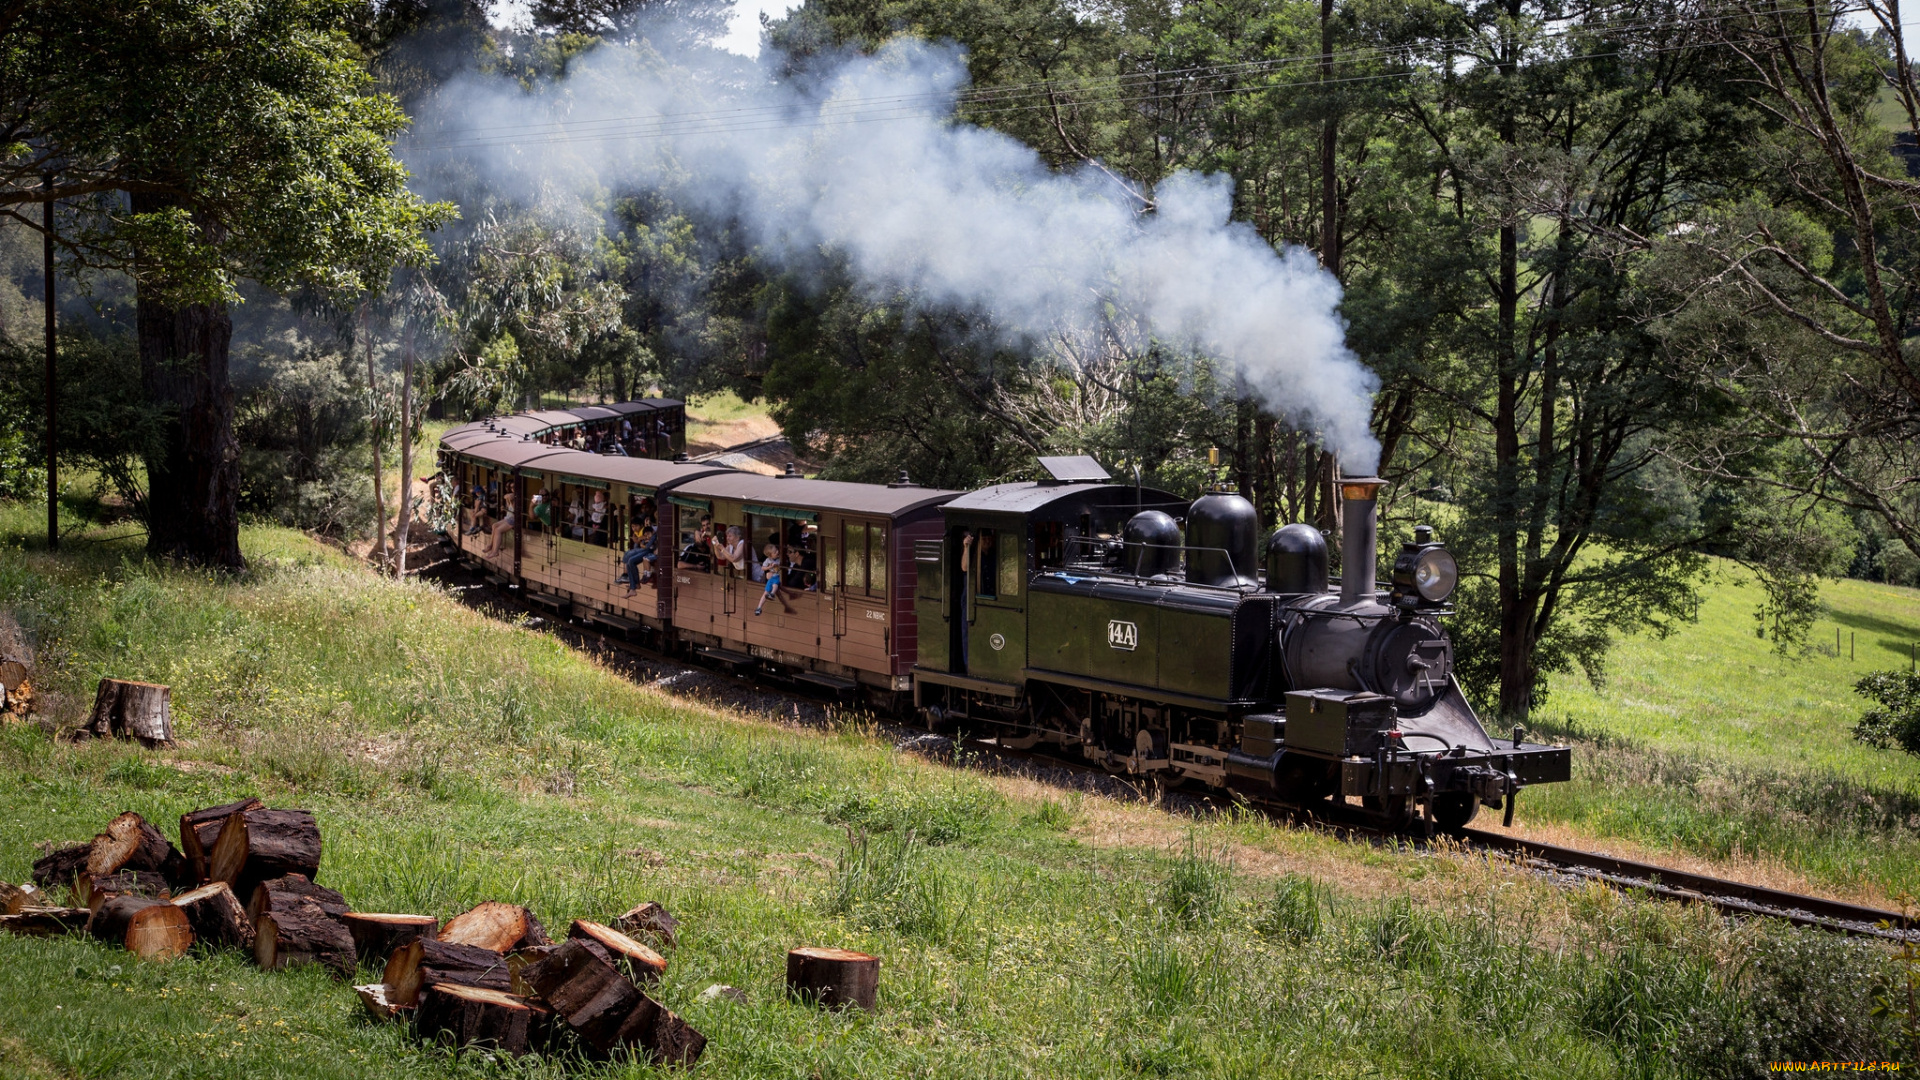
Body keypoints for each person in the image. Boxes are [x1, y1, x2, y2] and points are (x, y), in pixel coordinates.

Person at [618, 524, 656, 594]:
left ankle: (634, 585)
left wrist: (642, 543)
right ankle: (633, 586)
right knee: (629, 560)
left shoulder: (654, 535)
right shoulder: (648, 534)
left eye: (648, 534)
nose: (647, 536)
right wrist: (641, 541)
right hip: (644, 550)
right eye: (646, 535)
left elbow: (647, 546)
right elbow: (642, 542)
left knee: (631, 560)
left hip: (648, 551)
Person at [754, 541, 789, 615]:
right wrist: (769, 567)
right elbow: (763, 568)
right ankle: (759, 607)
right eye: (775, 552)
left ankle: (772, 594)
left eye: (777, 550)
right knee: (765, 592)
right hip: (771, 577)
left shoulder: (780, 559)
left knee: (775, 585)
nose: (777, 552)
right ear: (770, 556)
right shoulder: (768, 560)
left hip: (777, 576)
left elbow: (783, 566)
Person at [482, 492, 517, 557]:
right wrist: (505, 505)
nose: (512, 489)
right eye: (511, 488)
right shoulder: (511, 499)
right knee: (494, 525)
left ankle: (495, 551)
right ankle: (491, 545)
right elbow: (506, 496)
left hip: (513, 520)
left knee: (498, 530)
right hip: (508, 518)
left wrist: (508, 497)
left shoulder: (516, 500)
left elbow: (509, 497)